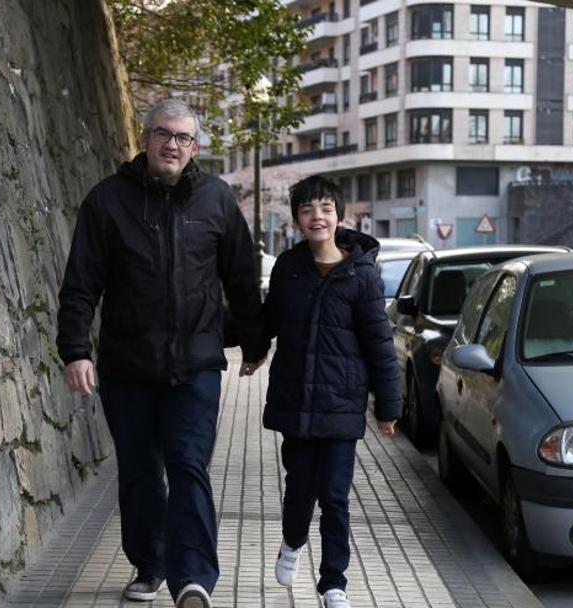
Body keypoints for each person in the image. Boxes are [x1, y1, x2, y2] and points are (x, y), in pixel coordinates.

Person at [56, 99, 268, 608]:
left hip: (195, 364)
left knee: (189, 463)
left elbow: (241, 277)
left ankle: (192, 577)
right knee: (139, 469)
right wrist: (76, 350)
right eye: (164, 134)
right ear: (145, 138)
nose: (173, 145)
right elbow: (81, 283)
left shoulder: (216, 200)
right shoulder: (107, 201)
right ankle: (149, 564)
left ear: (195, 148)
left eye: (184, 138)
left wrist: (255, 342)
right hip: (127, 366)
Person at [258, 175, 401, 608]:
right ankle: (292, 541)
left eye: (324, 208)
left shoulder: (361, 276)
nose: (316, 217)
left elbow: (380, 344)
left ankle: (333, 582)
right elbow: (268, 321)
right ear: (298, 220)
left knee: (336, 496)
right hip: (296, 401)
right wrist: (250, 348)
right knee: (300, 487)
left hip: (341, 403)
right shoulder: (288, 268)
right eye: (307, 210)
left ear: (339, 216)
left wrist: (388, 405)